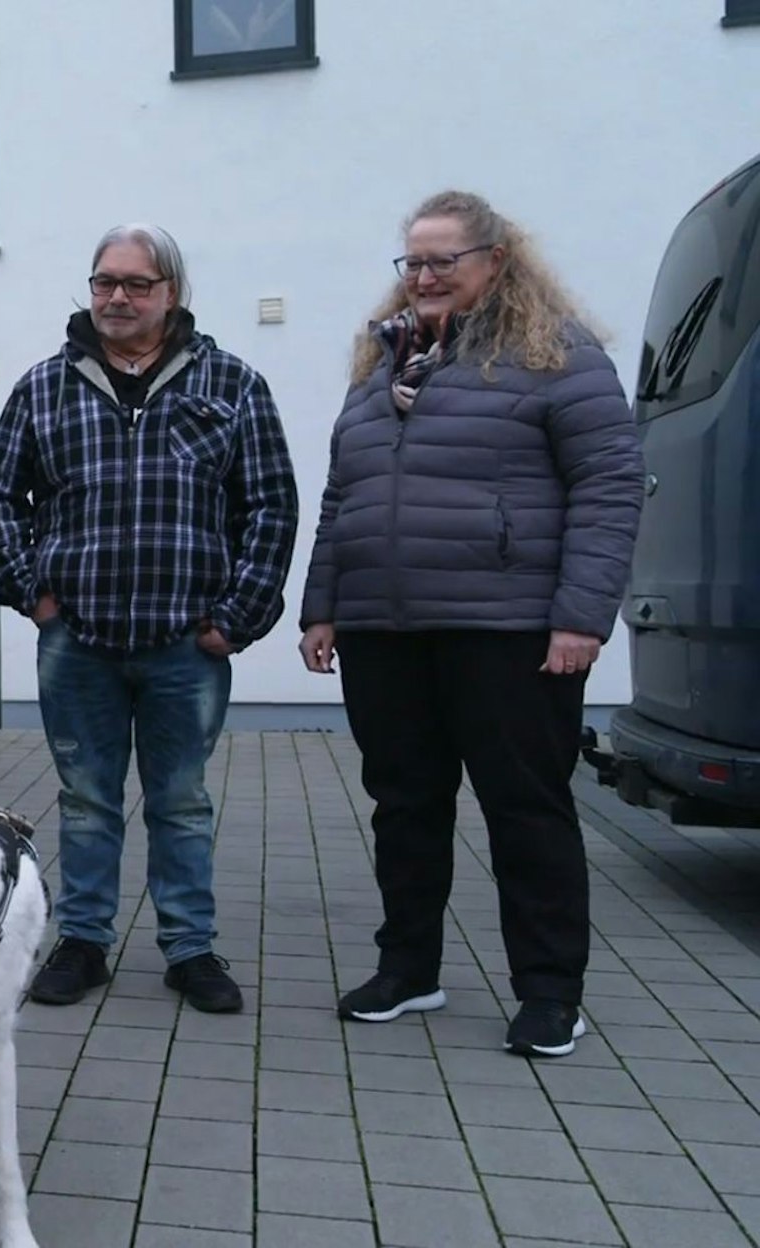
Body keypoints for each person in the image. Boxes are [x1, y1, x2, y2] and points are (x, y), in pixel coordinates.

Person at [299, 190, 644, 1059]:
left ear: (495, 260)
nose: (422, 277)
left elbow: (608, 490)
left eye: (441, 261)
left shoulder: (555, 353)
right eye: (411, 262)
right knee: (403, 809)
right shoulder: (381, 363)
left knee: (525, 813)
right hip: (384, 631)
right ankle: (408, 970)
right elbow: (343, 496)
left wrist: (580, 619)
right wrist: (322, 606)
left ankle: (550, 993)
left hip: (508, 631)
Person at [0, 224, 299, 1014]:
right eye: (103, 281)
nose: (116, 297)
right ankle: (82, 944)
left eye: (135, 284)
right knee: (85, 801)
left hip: (186, 644)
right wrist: (31, 594)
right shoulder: (44, 387)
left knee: (180, 803)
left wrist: (238, 617)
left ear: (170, 293)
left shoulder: (231, 384)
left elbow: (270, 506)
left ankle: (190, 950)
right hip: (77, 642)